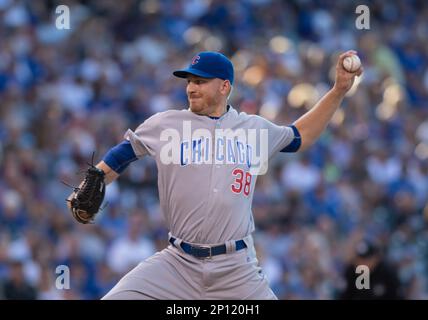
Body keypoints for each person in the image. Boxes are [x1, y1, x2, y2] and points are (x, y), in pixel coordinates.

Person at [67, 50, 363, 299]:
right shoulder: (167, 124)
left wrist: (338, 91)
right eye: (190, 81)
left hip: (236, 269)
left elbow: (300, 136)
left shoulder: (254, 129)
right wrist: (92, 182)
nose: (191, 88)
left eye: (200, 81)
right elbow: (124, 153)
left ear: (224, 87)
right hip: (177, 263)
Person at [338, 239, 403, 300]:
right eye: (359, 260)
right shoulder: (352, 272)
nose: (362, 263)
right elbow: (346, 295)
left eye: (366, 260)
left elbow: (397, 295)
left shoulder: (387, 273)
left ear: (376, 258)